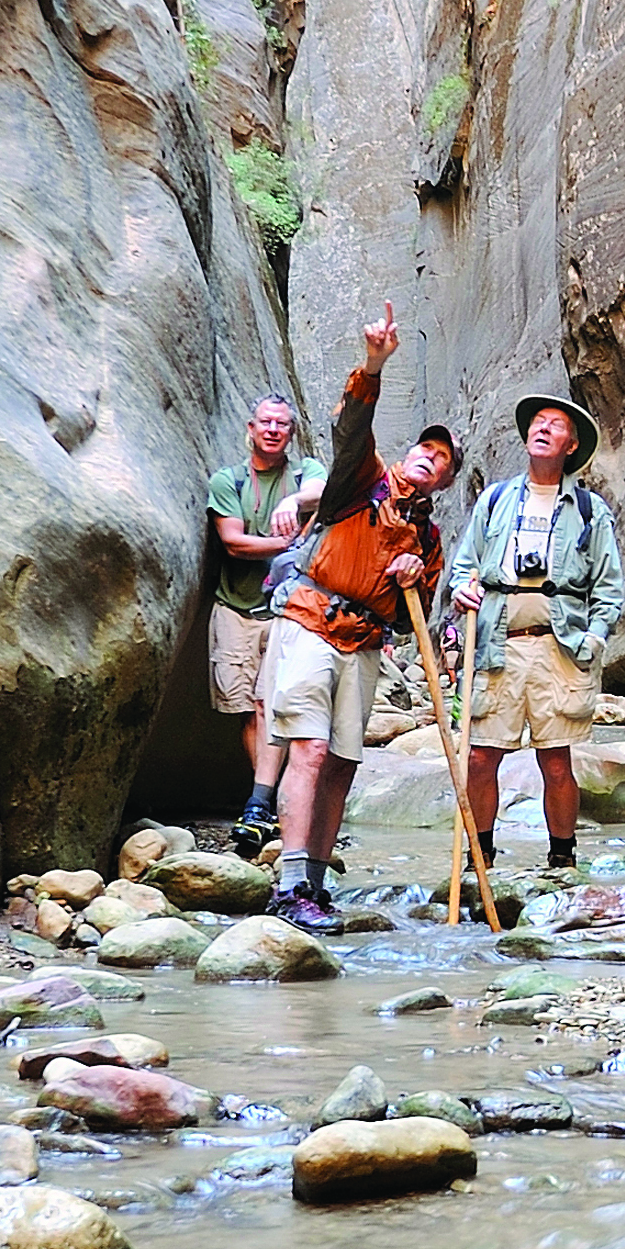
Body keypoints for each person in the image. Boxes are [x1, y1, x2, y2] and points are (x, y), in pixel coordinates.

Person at [257, 304, 460, 934]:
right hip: (311, 620)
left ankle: (316, 882)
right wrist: (373, 364)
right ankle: (288, 886)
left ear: (447, 482)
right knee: (311, 751)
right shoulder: (360, 481)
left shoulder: (428, 540)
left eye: (443, 460)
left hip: (365, 644)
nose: (431, 459)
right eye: (425, 449)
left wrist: (413, 583)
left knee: (343, 761)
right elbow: (352, 427)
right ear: (407, 455)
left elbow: (415, 621)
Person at [446, 387, 624, 874]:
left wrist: (596, 636)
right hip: (497, 645)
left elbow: (609, 587)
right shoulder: (495, 500)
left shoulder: (589, 510)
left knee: (556, 761)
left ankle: (561, 859)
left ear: (571, 446)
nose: (543, 428)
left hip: (559, 647)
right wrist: (462, 590)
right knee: (481, 758)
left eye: (556, 424)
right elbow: (464, 568)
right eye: (538, 421)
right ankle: (479, 857)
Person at [206, 394, 326, 856]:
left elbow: (324, 489)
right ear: (251, 428)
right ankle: (269, 800)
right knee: (244, 708)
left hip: (285, 610)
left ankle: (263, 804)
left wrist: (295, 500)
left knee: (266, 704)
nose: (274, 429)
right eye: (266, 422)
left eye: (282, 424)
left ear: (291, 433)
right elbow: (232, 542)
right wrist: (288, 545)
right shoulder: (229, 481)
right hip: (235, 606)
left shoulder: (303, 473)